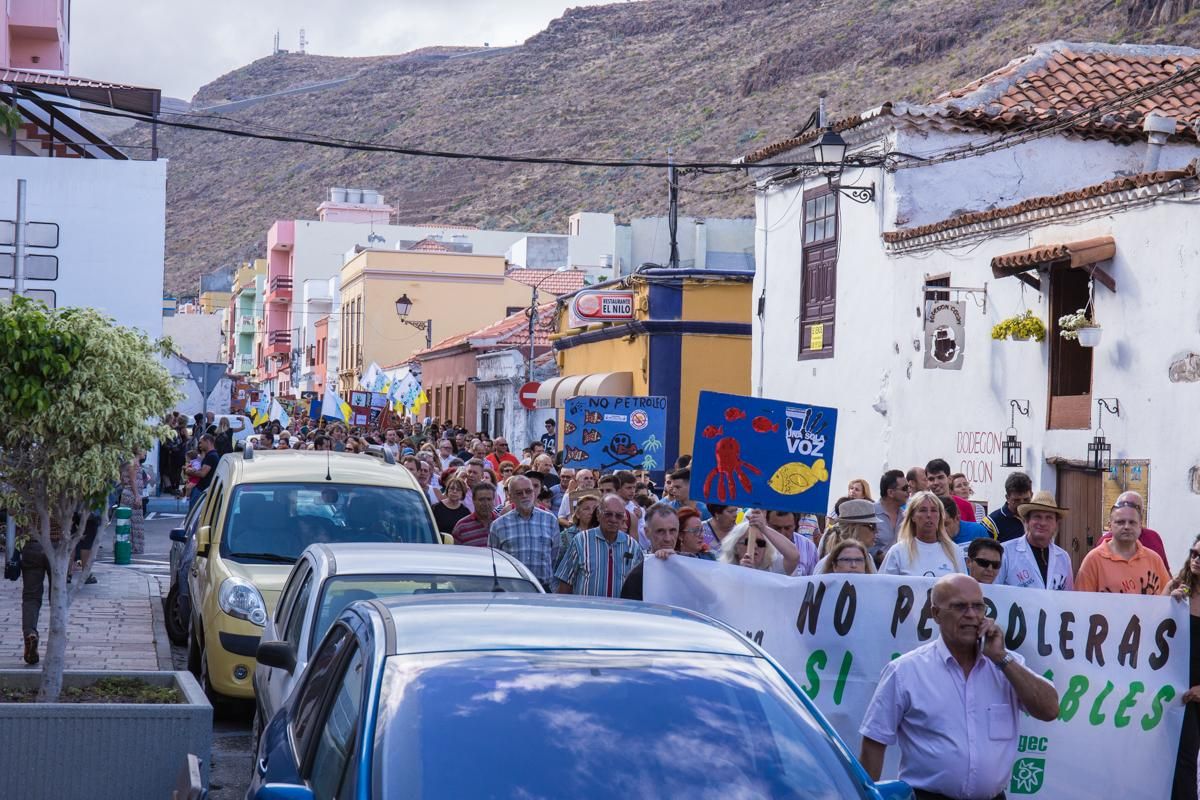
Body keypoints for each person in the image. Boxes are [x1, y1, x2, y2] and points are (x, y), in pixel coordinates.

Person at [859, 574, 1060, 800]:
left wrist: (1001, 657)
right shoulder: (905, 671)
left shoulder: (1005, 664)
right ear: (936, 614)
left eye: (978, 606)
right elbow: (874, 742)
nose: (971, 615)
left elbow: (1050, 710)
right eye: (959, 607)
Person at [556, 494, 644, 597]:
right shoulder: (580, 541)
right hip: (587, 611)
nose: (613, 519)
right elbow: (565, 583)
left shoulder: (632, 546)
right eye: (608, 514)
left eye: (619, 516)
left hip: (620, 611)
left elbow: (639, 586)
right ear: (598, 515)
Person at [1076, 500, 1171, 595]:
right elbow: (1081, 603)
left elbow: (1167, 598)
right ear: (1110, 526)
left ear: (1140, 526)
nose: (1126, 526)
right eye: (1120, 522)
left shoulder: (1154, 559)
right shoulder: (1093, 560)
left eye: (1132, 522)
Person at [1168, 536, 1200, 800]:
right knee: (1184, 759)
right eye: (1193, 553)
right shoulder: (1178, 587)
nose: (1196, 559)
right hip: (1180, 686)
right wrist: (1168, 602)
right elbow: (1148, 624)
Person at [489, 475, 559, 589]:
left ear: (535, 493)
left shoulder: (550, 520)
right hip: (511, 589)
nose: (525, 496)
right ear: (510, 497)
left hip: (542, 589)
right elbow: (495, 561)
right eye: (519, 493)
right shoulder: (498, 525)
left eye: (528, 491)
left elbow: (554, 557)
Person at [994, 491, 1074, 591]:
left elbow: (1068, 596)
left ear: (1056, 524)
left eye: (1049, 518)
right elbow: (994, 593)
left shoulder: (1063, 558)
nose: (1043, 523)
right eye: (1037, 516)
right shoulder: (1005, 553)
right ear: (1027, 521)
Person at [880, 490, 966, 577]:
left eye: (933, 510)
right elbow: (884, 586)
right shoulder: (897, 552)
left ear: (940, 516)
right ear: (912, 516)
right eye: (923, 510)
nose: (929, 515)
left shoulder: (954, 551)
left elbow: (963, 587)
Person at [617, 503, 681, 601]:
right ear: (647, 532)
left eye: (672, 531)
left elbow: (709, 598)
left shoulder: (691, 563)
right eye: (660, 531)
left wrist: (679, 564)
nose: (667, 538)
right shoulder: (636, 573)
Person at [1096, 491, 1170, 571]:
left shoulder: (1154, 538)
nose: (1129, 511)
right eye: (1123, 505)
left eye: (1135, 507)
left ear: (1142, 514)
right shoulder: (1104, 544)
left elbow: (1165, 573)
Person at [717, 510, 800, 574]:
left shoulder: (772, 569)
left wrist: (764, 528)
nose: (755, 546)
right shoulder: (723, 571)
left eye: (761, 543)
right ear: (735, 546)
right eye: (747, 541)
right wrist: (739, 573)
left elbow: (793, 556)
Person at [814, 499, 883, 572]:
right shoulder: (826, 563)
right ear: (854, 528)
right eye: (872, 526)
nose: (876, 531)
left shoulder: (868, 559)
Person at [982, 472, 1032, 543]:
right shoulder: (991, 522)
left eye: (1026, 499)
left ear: (1032, 495)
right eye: (1016, 500)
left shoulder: (1036, 517)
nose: (1022, 504)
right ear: (1007, 498)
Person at [766, 509, 818, 575]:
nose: (782, 533)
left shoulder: (809, 547)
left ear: (795, 525)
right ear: (767, 524)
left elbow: (813, 580)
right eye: (776, 528)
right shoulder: (758, 544)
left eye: (787, 528)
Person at [873, 469, 908, 564]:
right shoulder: (870, 513)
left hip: (900, 574)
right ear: (890, 493)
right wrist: (879, 555)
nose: (908, 492)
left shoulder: (906, 517)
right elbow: (862, 544)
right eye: (904, 488)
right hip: (874, 574)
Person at [557, 492, 600, 567]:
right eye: (586, 509)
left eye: (595, 509)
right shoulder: (565, 536)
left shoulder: (604, 535)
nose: (591, 512)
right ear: (578, 514)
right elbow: (558, 565)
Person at [119, 449, 147, 555]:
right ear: (138, 451)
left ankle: (128, 544)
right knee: (135, 521)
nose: (145, 453)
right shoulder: (133, 463)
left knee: (128, 520)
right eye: (144, 450)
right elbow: (133, 480)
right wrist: (137, 496)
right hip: (132, 494)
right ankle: (135, 546)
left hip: (128, 492)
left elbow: (123, 477)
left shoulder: (129, 462)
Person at [451, 483, 497, 547]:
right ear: (473, 500)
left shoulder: (501, 523)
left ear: (493, 500)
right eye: (481, 500)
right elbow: (456, 554)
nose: (486, 504)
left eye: (489, 499)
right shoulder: (461, 527)